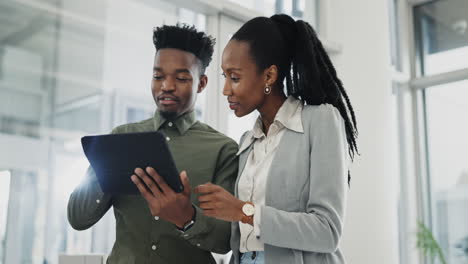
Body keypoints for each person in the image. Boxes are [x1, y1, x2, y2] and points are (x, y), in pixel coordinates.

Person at [194, 14, 358, 264]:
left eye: (235, 77)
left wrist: (243, 211)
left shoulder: (320, 121)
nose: (226, 89)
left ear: (269, 76)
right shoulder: (248, 142)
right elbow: (243, 240)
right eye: (224, 77)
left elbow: (327, 231)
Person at [68, 24, 239, 264]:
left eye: (181, 78)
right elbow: (78, 218)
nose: (166, 86)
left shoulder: (223, 150)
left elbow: (227, 241)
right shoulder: (120, 138)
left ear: (201, 83)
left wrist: (186, 217)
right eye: (158, 76)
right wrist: (106, 169)